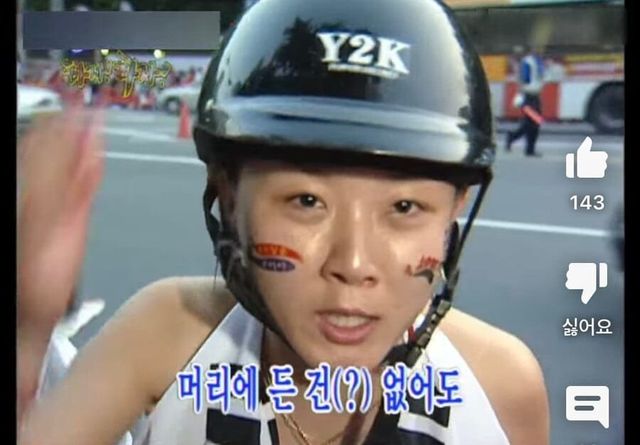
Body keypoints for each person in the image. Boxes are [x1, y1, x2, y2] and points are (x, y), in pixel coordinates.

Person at [17, 0, 550, 444]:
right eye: (306, 201)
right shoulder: (167, 340)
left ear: (456, 210)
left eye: (405, 208)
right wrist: (29, 331)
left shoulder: (499, 385)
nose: (353, 264)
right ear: (229, 198)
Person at [505, 45, 546, 157]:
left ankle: (513, 137)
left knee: (531, 123)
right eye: (537, 49)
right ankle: (529, 149)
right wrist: (522, 91)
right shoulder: (528, 62)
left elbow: (540, 77)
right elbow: (523, 79)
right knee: (533, 122)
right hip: (528, 97)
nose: (540, 51)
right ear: (532, 50)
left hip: (535, 96)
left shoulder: (539, 61)